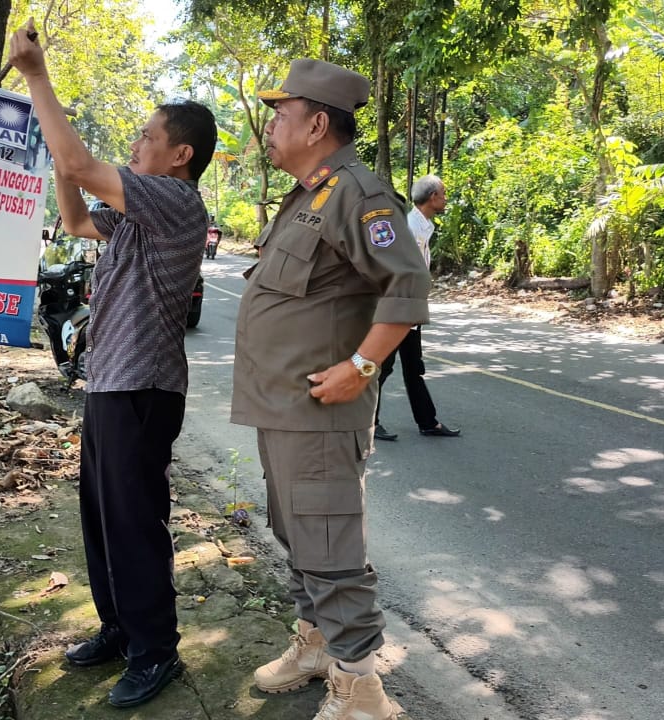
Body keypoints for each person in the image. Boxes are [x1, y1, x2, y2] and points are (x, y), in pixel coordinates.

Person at [9, 20, 217, 707]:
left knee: (134, 521)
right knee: (100, 514)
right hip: (111, 381)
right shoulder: (134, 213)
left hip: (145, 388)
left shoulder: (176, 202)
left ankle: (157, 649)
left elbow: (80, 166)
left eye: (147, 138)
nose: (135, 145)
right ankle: (119, 628)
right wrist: (53, 157)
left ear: (180, 155)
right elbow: (72, 219)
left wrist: (38, 77)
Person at [231, 59, 430, 720]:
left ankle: (361, 690)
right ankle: (316, 643)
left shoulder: (357, 193)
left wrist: (363, 366)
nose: (271, 125)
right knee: (299, 537)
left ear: (316, 123)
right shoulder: (308, 194)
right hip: (285, 411)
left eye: (280, 113)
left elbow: (407, 287)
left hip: (320, 416)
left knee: (329, 544)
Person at [374, 175, 460, 441]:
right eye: (443, 194)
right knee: (382, 367)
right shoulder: (408, 226)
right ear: (433, 197)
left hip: (410, 309)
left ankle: (427, 422)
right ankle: (367, 421)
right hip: (397, 309)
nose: (445, 199)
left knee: (413, 366)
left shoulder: (422, 226)